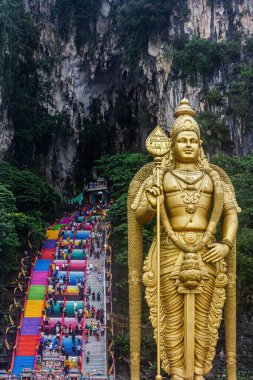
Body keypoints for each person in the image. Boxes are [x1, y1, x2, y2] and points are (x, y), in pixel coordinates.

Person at [128, 99, 240, 380]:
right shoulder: (160, 175)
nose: (188, 145)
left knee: (204, 317)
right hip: (169, 251)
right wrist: (153, 202)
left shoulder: (214, 179)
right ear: (172, 145)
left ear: (200, 145)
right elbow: (138, 215)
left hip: (206, 252)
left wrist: (225, 244)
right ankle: (177, 372)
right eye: (182, 140)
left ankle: (199, 371)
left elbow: (231, 213)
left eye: (193, 140)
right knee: (172, 317)